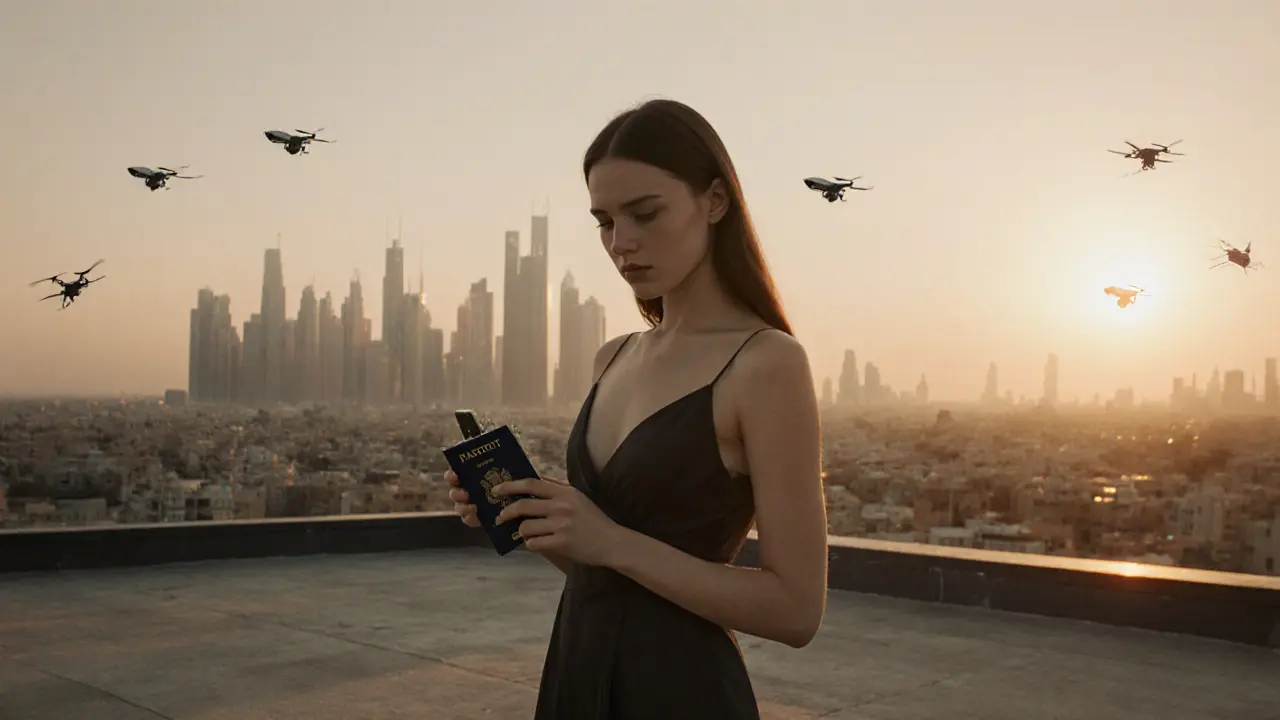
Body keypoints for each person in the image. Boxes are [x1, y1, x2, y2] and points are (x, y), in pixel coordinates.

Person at [446, 98, 827, 719]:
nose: (622, 244)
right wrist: (532, 518)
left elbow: (796, 610)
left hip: (681, 692)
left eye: (646, 214)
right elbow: (603, 568)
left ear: (715, 201)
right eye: (604, 221)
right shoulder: (613, 357)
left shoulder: (767, 364)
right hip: (575, 671)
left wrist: (610, 540)